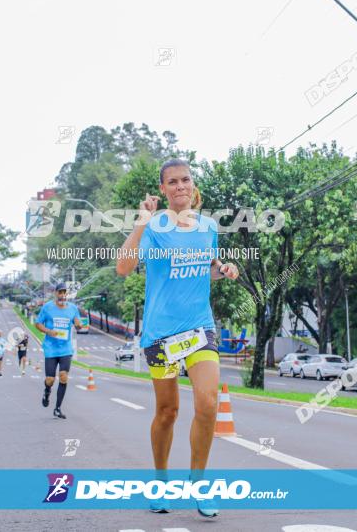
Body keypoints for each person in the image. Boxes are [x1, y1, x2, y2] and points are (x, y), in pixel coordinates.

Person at [116, 158, 240, 518]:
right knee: (168, 411)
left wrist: (224, 269)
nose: (180, 186)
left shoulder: (208, 227)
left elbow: (208, 268)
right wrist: (140, 223)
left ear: (192, 184)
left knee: (207, 403)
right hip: (161, 336)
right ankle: (159, 480)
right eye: (172, 182)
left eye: (185, 179)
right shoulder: (153, 228)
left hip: (200, 329)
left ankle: (199, 482)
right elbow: (123, 268)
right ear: (163, 189)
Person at [34, 283, 83, 419]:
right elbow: (38, 324)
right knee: (50, 379)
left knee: (63, 376)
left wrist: (79, 325)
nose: (62, 295)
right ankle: (47, 391)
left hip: (66, 349)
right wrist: (48, 331)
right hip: (51, 348)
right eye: (60, 292)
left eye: (64, 293)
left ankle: (57, 408)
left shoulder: (73, 308)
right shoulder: (47, 307)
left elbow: (78, 324)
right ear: (55, 293)